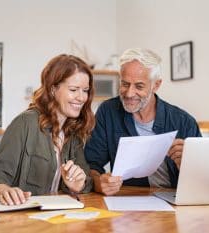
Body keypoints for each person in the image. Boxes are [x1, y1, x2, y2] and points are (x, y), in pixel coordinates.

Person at [0, 54, 95, 207]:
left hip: (52, 217)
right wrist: (3, 190)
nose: (81, 98)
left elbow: (87, 180)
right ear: (53, 89)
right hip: (17, 218)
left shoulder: (73, 132)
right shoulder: (25, 123)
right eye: (74, 90)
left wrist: (78, 185)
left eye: (85, 90)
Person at [85, 48, 201, 196]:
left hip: (175, 200)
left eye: (139, 86)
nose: (129, 93)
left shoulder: (184, 122)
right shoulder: (108, 112)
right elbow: (91, 164)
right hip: (130, 203)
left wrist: (188, 163)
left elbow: (204, 179)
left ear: (156, 85)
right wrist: (99, 182)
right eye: (125, 84)